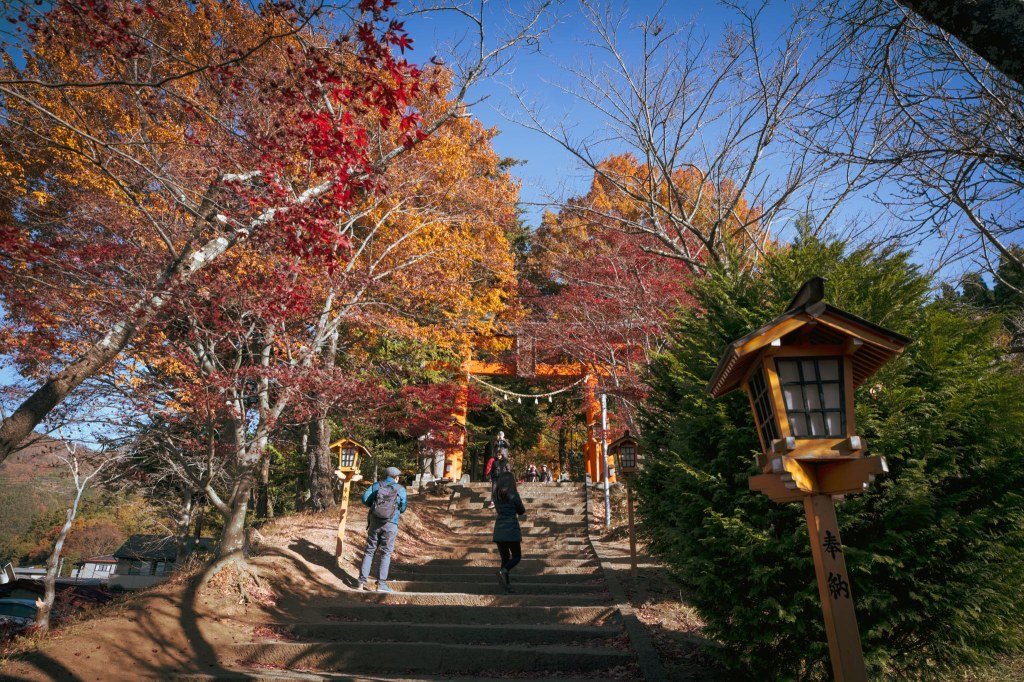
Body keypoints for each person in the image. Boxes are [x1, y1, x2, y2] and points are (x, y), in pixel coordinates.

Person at [357, 466, 408, 593]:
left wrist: (375, 506)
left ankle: (361, 582)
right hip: (391, 524)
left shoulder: (376, 485)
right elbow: (403, 508)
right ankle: (381, 584)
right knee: (386, 554)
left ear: (386, 475)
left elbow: (365, 499)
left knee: (369, 551)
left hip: (375, 523)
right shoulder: (400, 489)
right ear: (397, 478)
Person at [492, 471, 526, 594]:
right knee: (516, 556)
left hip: (499, 529)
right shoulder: (513, 494)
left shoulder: (496, 495)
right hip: (511, 528)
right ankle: (504, 571)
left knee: (505, 558)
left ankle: (506, 587)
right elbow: (521, 510)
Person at [485, 431, 511, 508]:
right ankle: (493, 501)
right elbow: (494, 446)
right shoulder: (496, 442)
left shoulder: (505, 441)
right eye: (499, 435)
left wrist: (503, 439)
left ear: (503, 435)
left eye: (501, 435)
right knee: (494, 486)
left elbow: (508, 445)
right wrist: (497, 440)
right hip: (497, 458)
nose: (500, 436)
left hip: (504, 458)